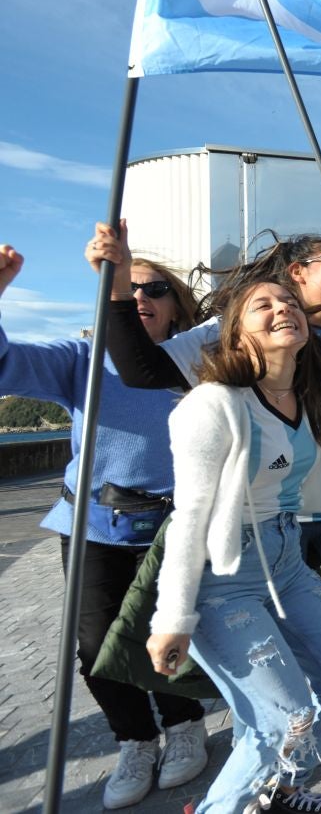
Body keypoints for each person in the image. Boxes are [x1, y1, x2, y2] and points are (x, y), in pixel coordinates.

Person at [91, 226, 321, 772]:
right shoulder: (241, 327)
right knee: (288, 657)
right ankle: (277, 753)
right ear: (296, 272)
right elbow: (143, 369)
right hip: (275, 521)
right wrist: (116, 289)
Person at [147, 276, 321, 813]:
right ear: (237, 337)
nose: (283, 308)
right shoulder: (212, 405)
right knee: (284, 717)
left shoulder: (310, 397)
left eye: (288, 301)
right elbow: (189, 516)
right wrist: (172, 617)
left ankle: (281, 793)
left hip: (284, 560)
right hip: (222, 576)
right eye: (263, 305)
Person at [1, 243, 208, 810]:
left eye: (154, 289)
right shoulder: (80, 360)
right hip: (95, 524)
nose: (140, 296)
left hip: (174, 528)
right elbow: (3, 364)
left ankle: (185, 723)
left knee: (173, 631)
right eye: (126, 286)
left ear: (175, 306)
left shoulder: (196, 363)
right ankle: (135, 739)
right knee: (95, 644)